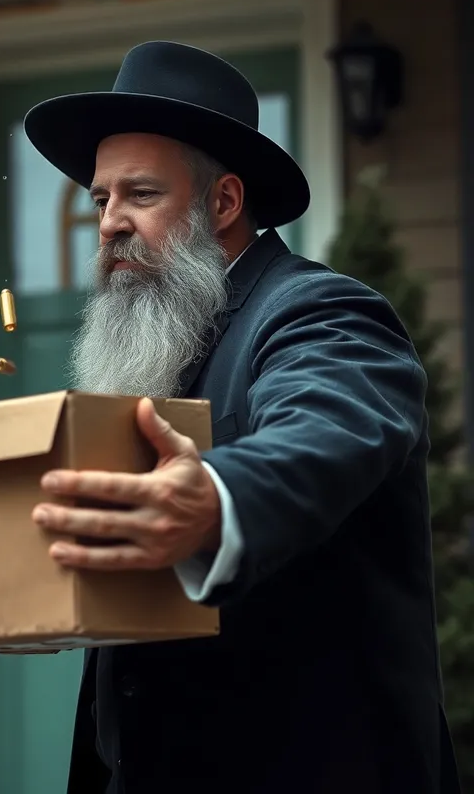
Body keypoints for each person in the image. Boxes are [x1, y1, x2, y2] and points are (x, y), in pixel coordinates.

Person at [25, 41, 460, 794]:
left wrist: (217, 500)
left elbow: (329, 426)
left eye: (141, 195)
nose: (108, 224)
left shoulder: (320, 311)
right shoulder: (164, 341)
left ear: (222, 203)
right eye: (101, 200)